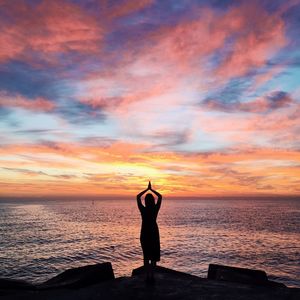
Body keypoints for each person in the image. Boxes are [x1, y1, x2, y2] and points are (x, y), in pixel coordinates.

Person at [136, 181, 162, 283]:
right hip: (154, 233)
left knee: (146, 255)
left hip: (145, 233)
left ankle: (147, 276)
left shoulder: (143, 210)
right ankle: (152, 276)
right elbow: (160, 197)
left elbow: (138, 197)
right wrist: (151, 189)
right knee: (153, 256)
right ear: (153, 201)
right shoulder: (155, 209)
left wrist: (147, 189)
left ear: (146, 201)